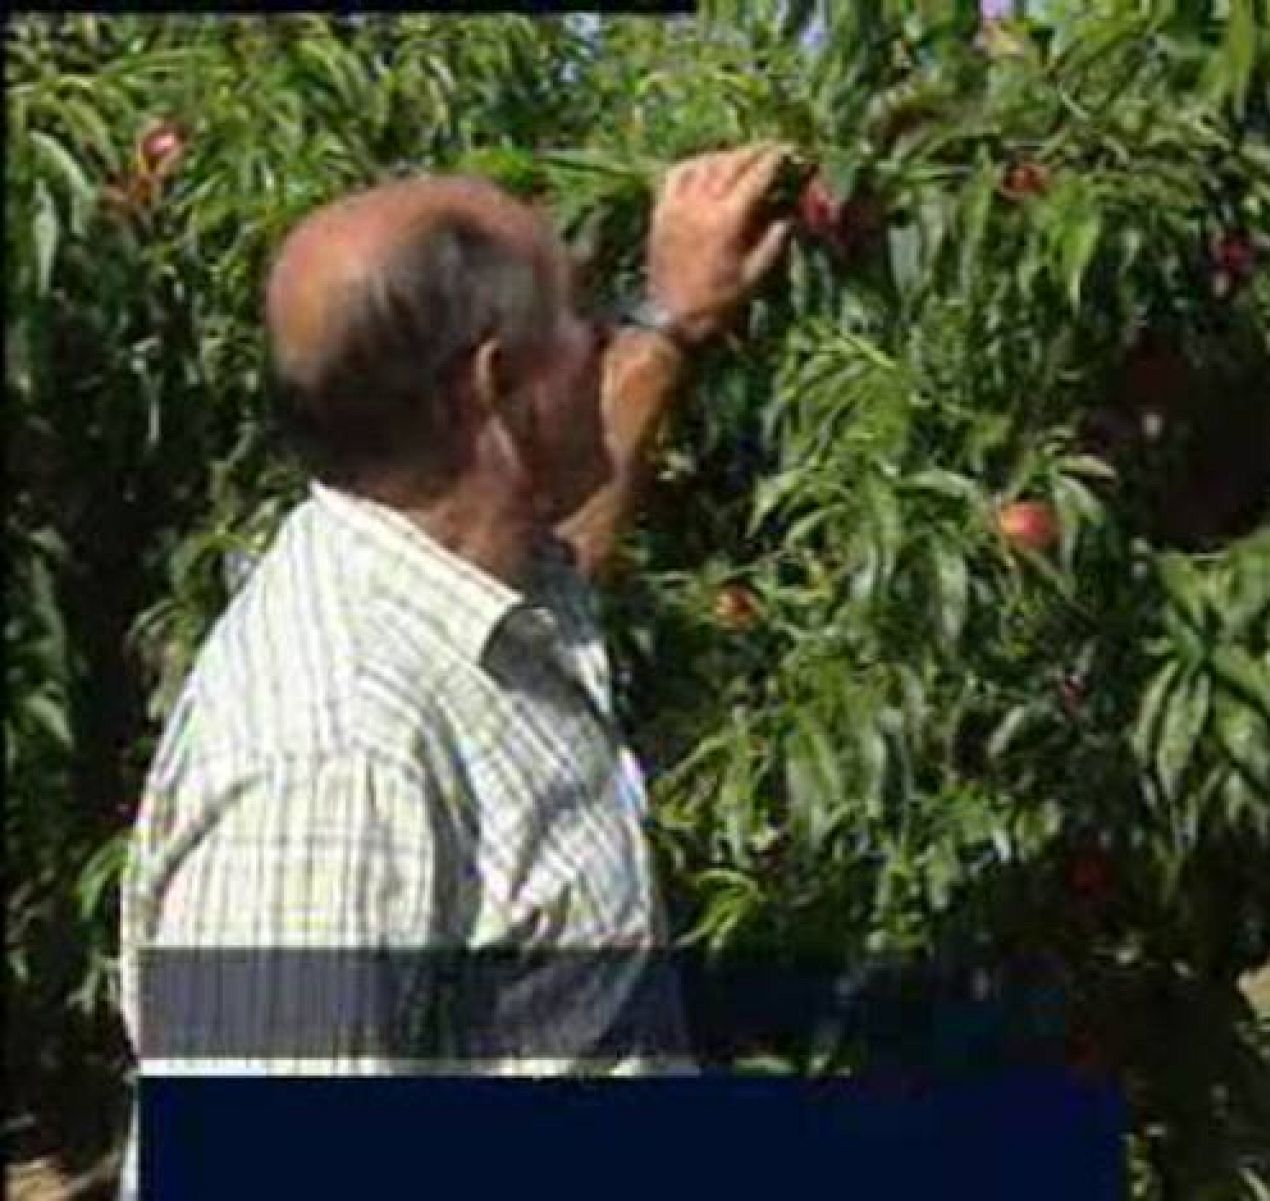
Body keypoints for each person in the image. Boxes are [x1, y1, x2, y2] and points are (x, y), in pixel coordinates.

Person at [114, 143, 795, 1199]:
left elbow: (562, 536)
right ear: (497, 386)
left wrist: (670, 326)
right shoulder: (333, 761)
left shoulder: (455, 571)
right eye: (584, 316)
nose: (602, 335)